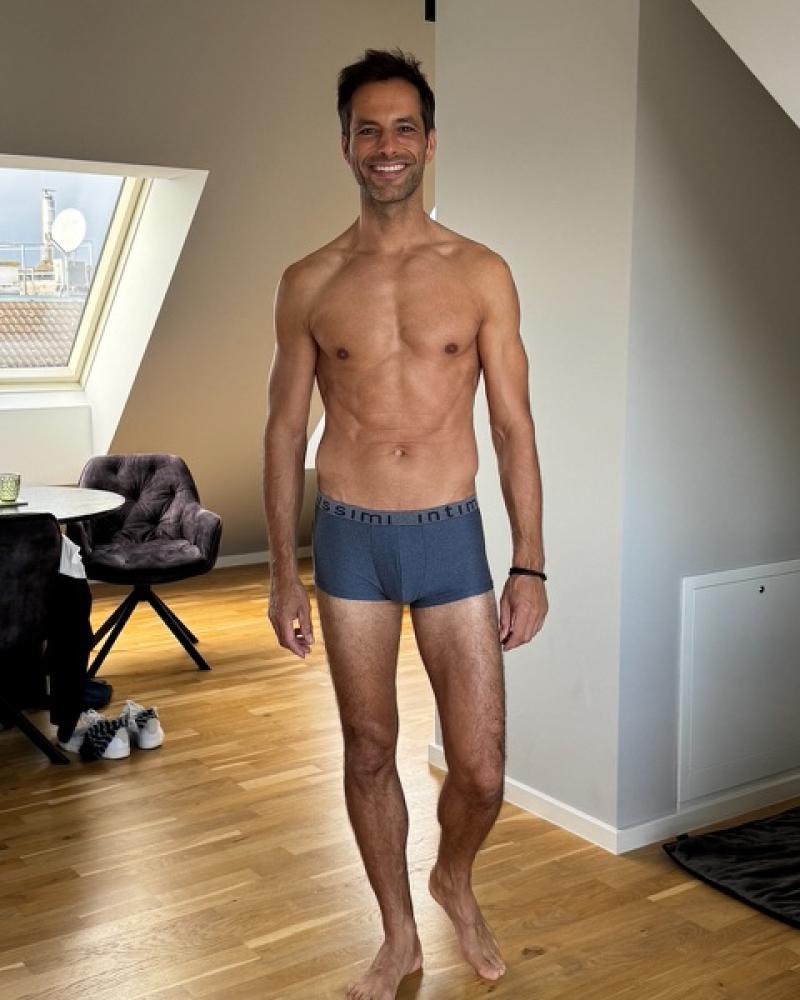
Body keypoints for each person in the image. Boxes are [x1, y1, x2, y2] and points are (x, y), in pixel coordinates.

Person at [264, 48, 547, 1000]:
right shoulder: (309, 281)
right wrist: (280, 573)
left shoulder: (481, 272)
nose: (386, 146)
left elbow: (512, 426)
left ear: (429, 142)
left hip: (450, 535)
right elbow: (283, 431)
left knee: (482, 771)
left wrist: (531, 562)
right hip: (349, 538)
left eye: (403, 128)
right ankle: (397, 937)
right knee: (369, 748)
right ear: (345, 144)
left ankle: (452, 877)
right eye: (368, 130)